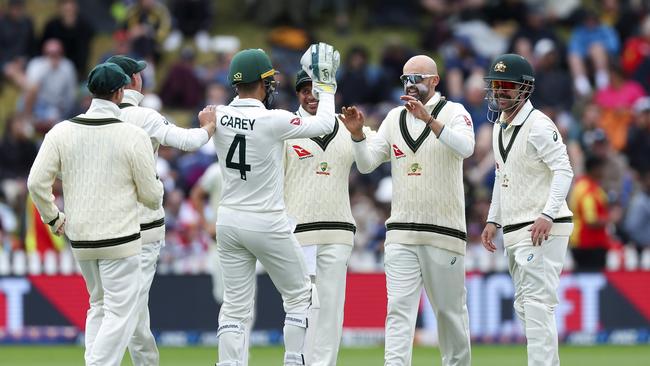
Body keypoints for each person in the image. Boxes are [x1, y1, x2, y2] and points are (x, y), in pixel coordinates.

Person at [340, 54, 474, 366]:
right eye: (406, 79)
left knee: (449, 313)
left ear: (435, 81)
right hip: (401, 232)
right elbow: (367, 162)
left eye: (417, 78)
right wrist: (359, 135)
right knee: (398, 309)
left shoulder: (454, 112)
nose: (410, 85)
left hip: (445, 232)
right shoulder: (393, 119)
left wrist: (429, 120)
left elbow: (465, 148)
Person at [210, 44, 339, 366]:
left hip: (227, 221)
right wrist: (326, 86)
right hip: (266, 220)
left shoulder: (218, 114)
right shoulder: (274, 119)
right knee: (301, 295)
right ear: (263, 84)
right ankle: (294, 360)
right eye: (269, 82)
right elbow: (324, 125)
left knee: (235, 306)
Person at [27, 62, 164, 366]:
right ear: (120, 93)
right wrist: (158, 189)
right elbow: (151, 197)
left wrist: (54, 217)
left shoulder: (61, 131)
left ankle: (95, 360)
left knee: (98, 306)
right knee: (120, 313)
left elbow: (35, 182)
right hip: (121, 239)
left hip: (81, 239)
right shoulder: (133, 135)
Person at [105, 54, 217, 366]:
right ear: (131, 82)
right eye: (138, 75)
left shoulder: (94, 118)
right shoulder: (145, 117)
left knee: (129, 311)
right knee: (127, 309)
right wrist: (208, 125)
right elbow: (189, 141)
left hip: (108, 227)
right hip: (142, 227)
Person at [480, 54, 574, 366]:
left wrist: (547, 213)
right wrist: (493, 219)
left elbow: (564, 170)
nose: (500, 91)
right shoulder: (498, 127)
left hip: (543, 226)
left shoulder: (539, 124)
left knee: (536, 304)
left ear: (524, 88)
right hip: (515, 227)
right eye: (495, 85)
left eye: (507, 85)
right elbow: (501, 175)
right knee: (524, 305)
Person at [284, 70, 371, 366]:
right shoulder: (286, 126)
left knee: (331, 309)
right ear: (297, 94)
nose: (311, 96)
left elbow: (370, 161)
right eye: (304, 90)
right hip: (298, 233)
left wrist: (358, 133)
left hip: (337, 231)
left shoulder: (347, 126)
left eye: (317, 89)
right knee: (303, 307)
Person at [569, 155, 610, 270]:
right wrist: (609, 219)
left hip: (586, 243)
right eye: (601, 168)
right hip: (588, 245)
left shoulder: (585, 186)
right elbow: (591, 221)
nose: (603, 172)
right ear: (594, 169)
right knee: (592, 280)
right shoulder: (588, 190)